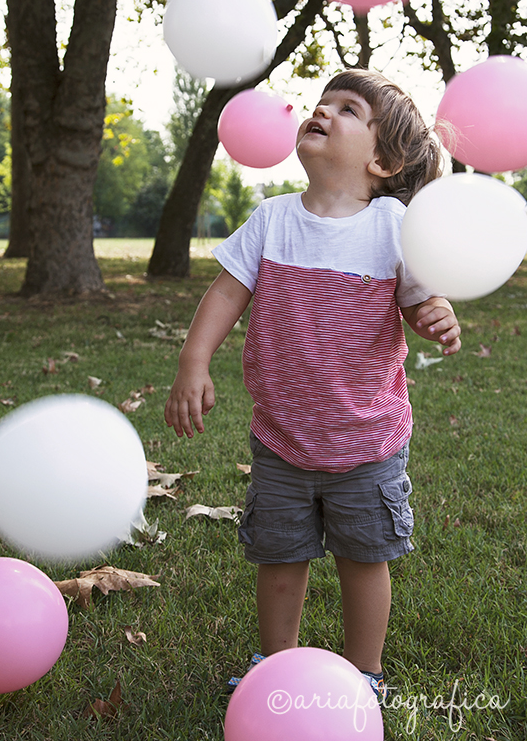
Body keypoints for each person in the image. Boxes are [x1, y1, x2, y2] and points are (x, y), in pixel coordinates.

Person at [164, 69, 462, 700]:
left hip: (366, 442)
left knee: (363, 557)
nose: (323, 111)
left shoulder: (391, 225)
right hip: (281, 438)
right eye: (322, 103)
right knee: (278, 556)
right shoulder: (273, 219)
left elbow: (416, 298)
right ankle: (276, 661)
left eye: (348, 109)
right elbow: (226, 291)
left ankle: (364, 674)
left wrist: (434, 311)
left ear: (383, 159)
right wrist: (194, 361)